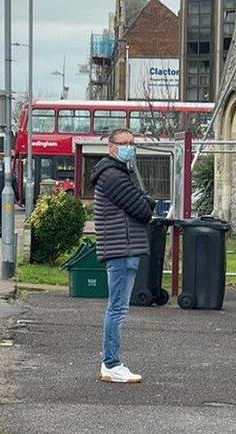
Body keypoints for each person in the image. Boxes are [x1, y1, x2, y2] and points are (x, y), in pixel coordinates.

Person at [90, 128, 156, 383]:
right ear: (111, 147)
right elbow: (142, 209)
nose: (130, 147)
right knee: (117, 308)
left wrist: (144, 201)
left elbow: (140, 203)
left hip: (122, 246)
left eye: (132, 142)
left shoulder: (117, 173)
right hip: (121, 248)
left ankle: (110, 357)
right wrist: (147, 203)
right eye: (124, 143)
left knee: (117, 307)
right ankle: (111, 363)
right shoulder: (113, 176)